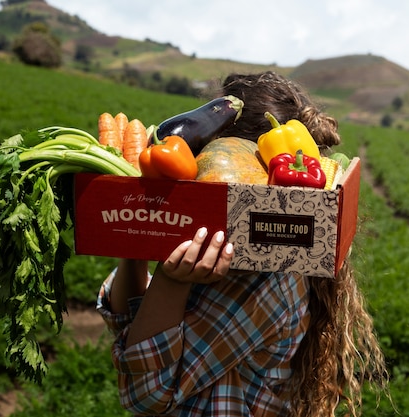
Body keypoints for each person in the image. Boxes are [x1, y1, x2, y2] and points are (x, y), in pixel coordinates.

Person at [96, 71, 389, 417]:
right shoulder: (238, 246)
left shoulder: (262, 276)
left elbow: (144, 394)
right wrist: (140, 241)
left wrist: (172, 281)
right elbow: (130, 321)